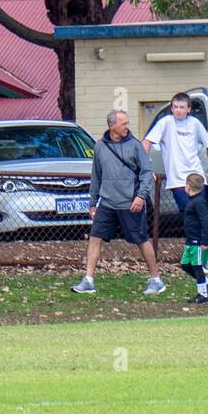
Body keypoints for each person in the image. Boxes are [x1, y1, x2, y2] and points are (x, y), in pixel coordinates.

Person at [72, 109, 165, 297]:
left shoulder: (135, 145)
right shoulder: (99, 147)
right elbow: (96, 176)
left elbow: (147, 173)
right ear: (111, 125)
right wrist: (93, 202)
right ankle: (88, 280)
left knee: (141, 240)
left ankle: (156, 279)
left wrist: (140, 196)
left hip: (130, 203)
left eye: (127, 123)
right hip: (106, 203)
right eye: (123, 124)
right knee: (95, 238)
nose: (126, 127)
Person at [144, 93, 208, 301]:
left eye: (182, 107)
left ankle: (204, 255)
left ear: (188, 109)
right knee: (188, 217)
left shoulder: (194, 124)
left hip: (196, 178)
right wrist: (145, 167)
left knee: (200, 217)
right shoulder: (165, 123)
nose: (178, 110)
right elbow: (146, 142)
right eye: (175, 107)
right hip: (177, 181)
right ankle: (200, 262)